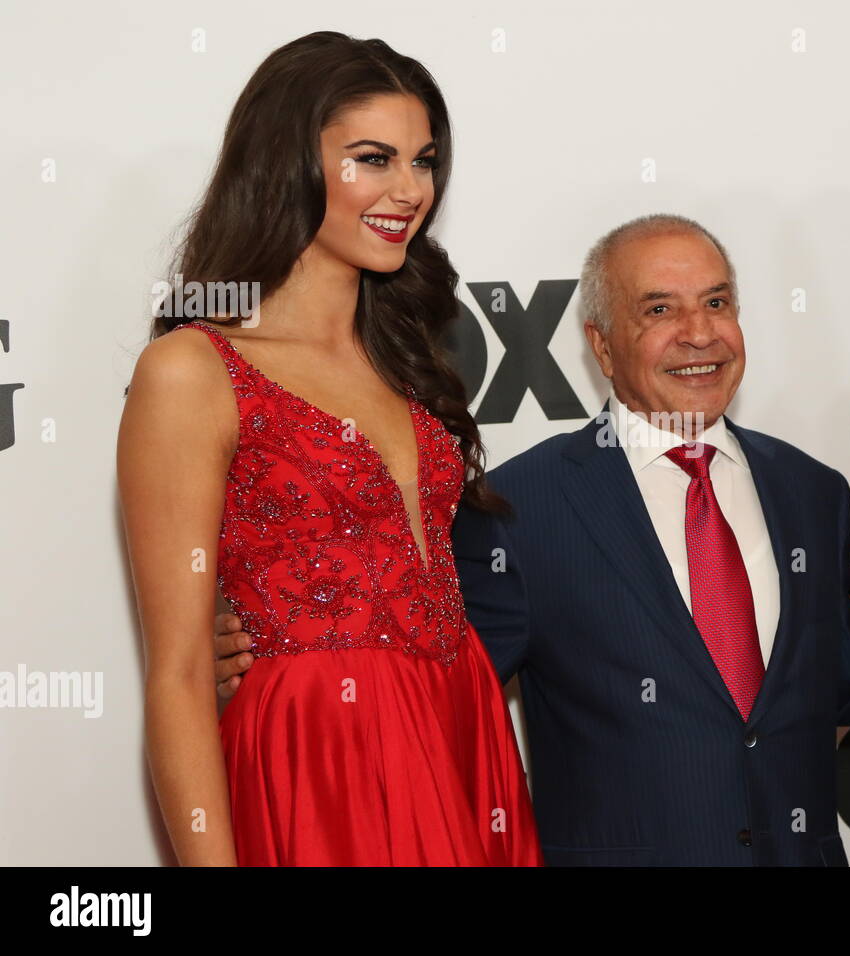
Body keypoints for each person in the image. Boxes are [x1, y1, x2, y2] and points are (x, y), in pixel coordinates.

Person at [219, 212, 850, 865]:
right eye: (659, 310)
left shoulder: (811, 492)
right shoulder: (524, 510)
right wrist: (271, 654)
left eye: (716, 302)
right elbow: (437, 687)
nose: (700, 334)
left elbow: (840, 682)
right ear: (601, 344)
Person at [118, 32, 541, 866]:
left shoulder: (410, 361)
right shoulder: (192, 370)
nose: (409, 189)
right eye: (372, 158)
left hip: (460, 733)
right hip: (319, 762)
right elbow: (175, 677)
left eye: (423, 161)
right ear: (287, 162)